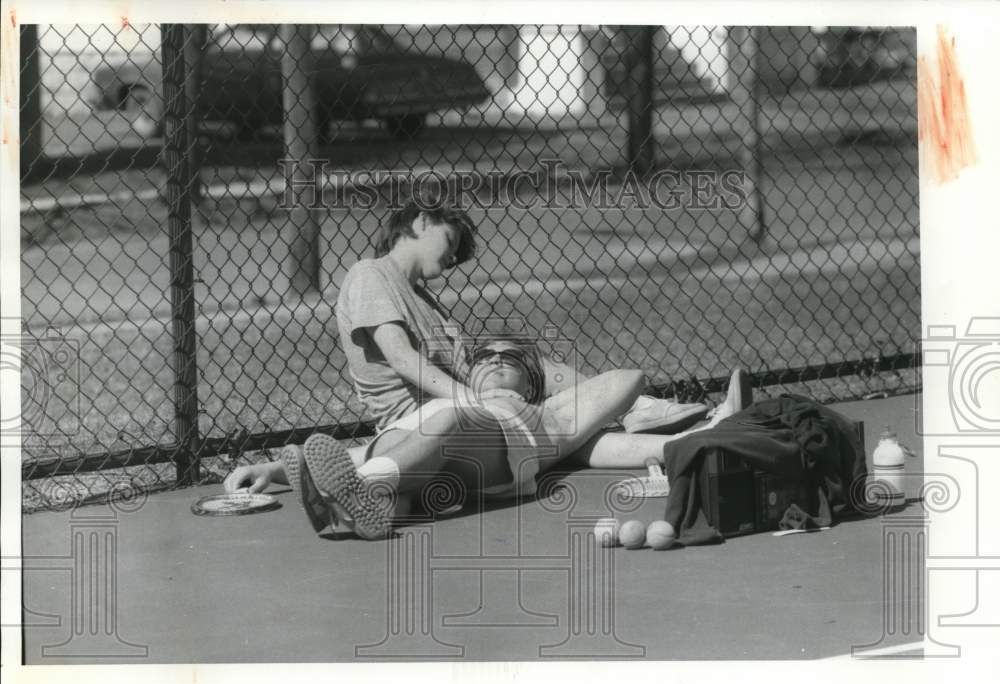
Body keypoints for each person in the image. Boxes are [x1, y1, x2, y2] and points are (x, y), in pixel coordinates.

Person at [225, 196, 709, 494]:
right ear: (418, 222)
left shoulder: (431, 305)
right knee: (460, 421)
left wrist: (509, 388)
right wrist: (472, 398)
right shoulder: (371, 274)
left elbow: (476, 375)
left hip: (486, 435)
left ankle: (698, 439)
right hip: (427, 427)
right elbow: (400, 357)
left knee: (587, 420)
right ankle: (367, 493)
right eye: (451, 239)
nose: (455, 255)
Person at [278, 336, 752, 540]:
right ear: (470, 372)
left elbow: (629, 378)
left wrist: (713, 430)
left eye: (514, 359)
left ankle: (356, 492)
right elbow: (359, 450)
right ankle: (363, 508)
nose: (499, 358)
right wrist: (276, 469)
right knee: (392, 455)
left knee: (446, 426)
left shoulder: (547, 416)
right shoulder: (443, 400)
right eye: (487, 357)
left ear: (533, 382)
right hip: (410, 450)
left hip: (493, 448)